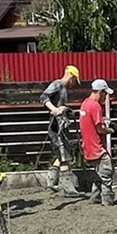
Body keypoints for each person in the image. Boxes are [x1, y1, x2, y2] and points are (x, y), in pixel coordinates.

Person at [40, 64, 82, 194]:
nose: (74, 84)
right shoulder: (57, 84)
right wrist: (54, 109)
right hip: (56, 125)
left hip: (62, 124)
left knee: (64, 151)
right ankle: (66, 185)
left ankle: (51, 180)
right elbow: (43, 97)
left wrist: (66, 110)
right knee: (63, 153)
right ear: (71, 76)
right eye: (74, 80)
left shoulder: (63, 88)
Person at [77, 79, 117, 207]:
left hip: (88, 147)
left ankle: (95, 197)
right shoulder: (95, 106)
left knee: (98, 174)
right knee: (106, 173)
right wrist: (112, 130)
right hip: (97, 147)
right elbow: (100, 129)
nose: (105, 97)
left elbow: (92, 122)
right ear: (100, 92)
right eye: (105, 94)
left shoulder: (85, 104)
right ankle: (107, 200)